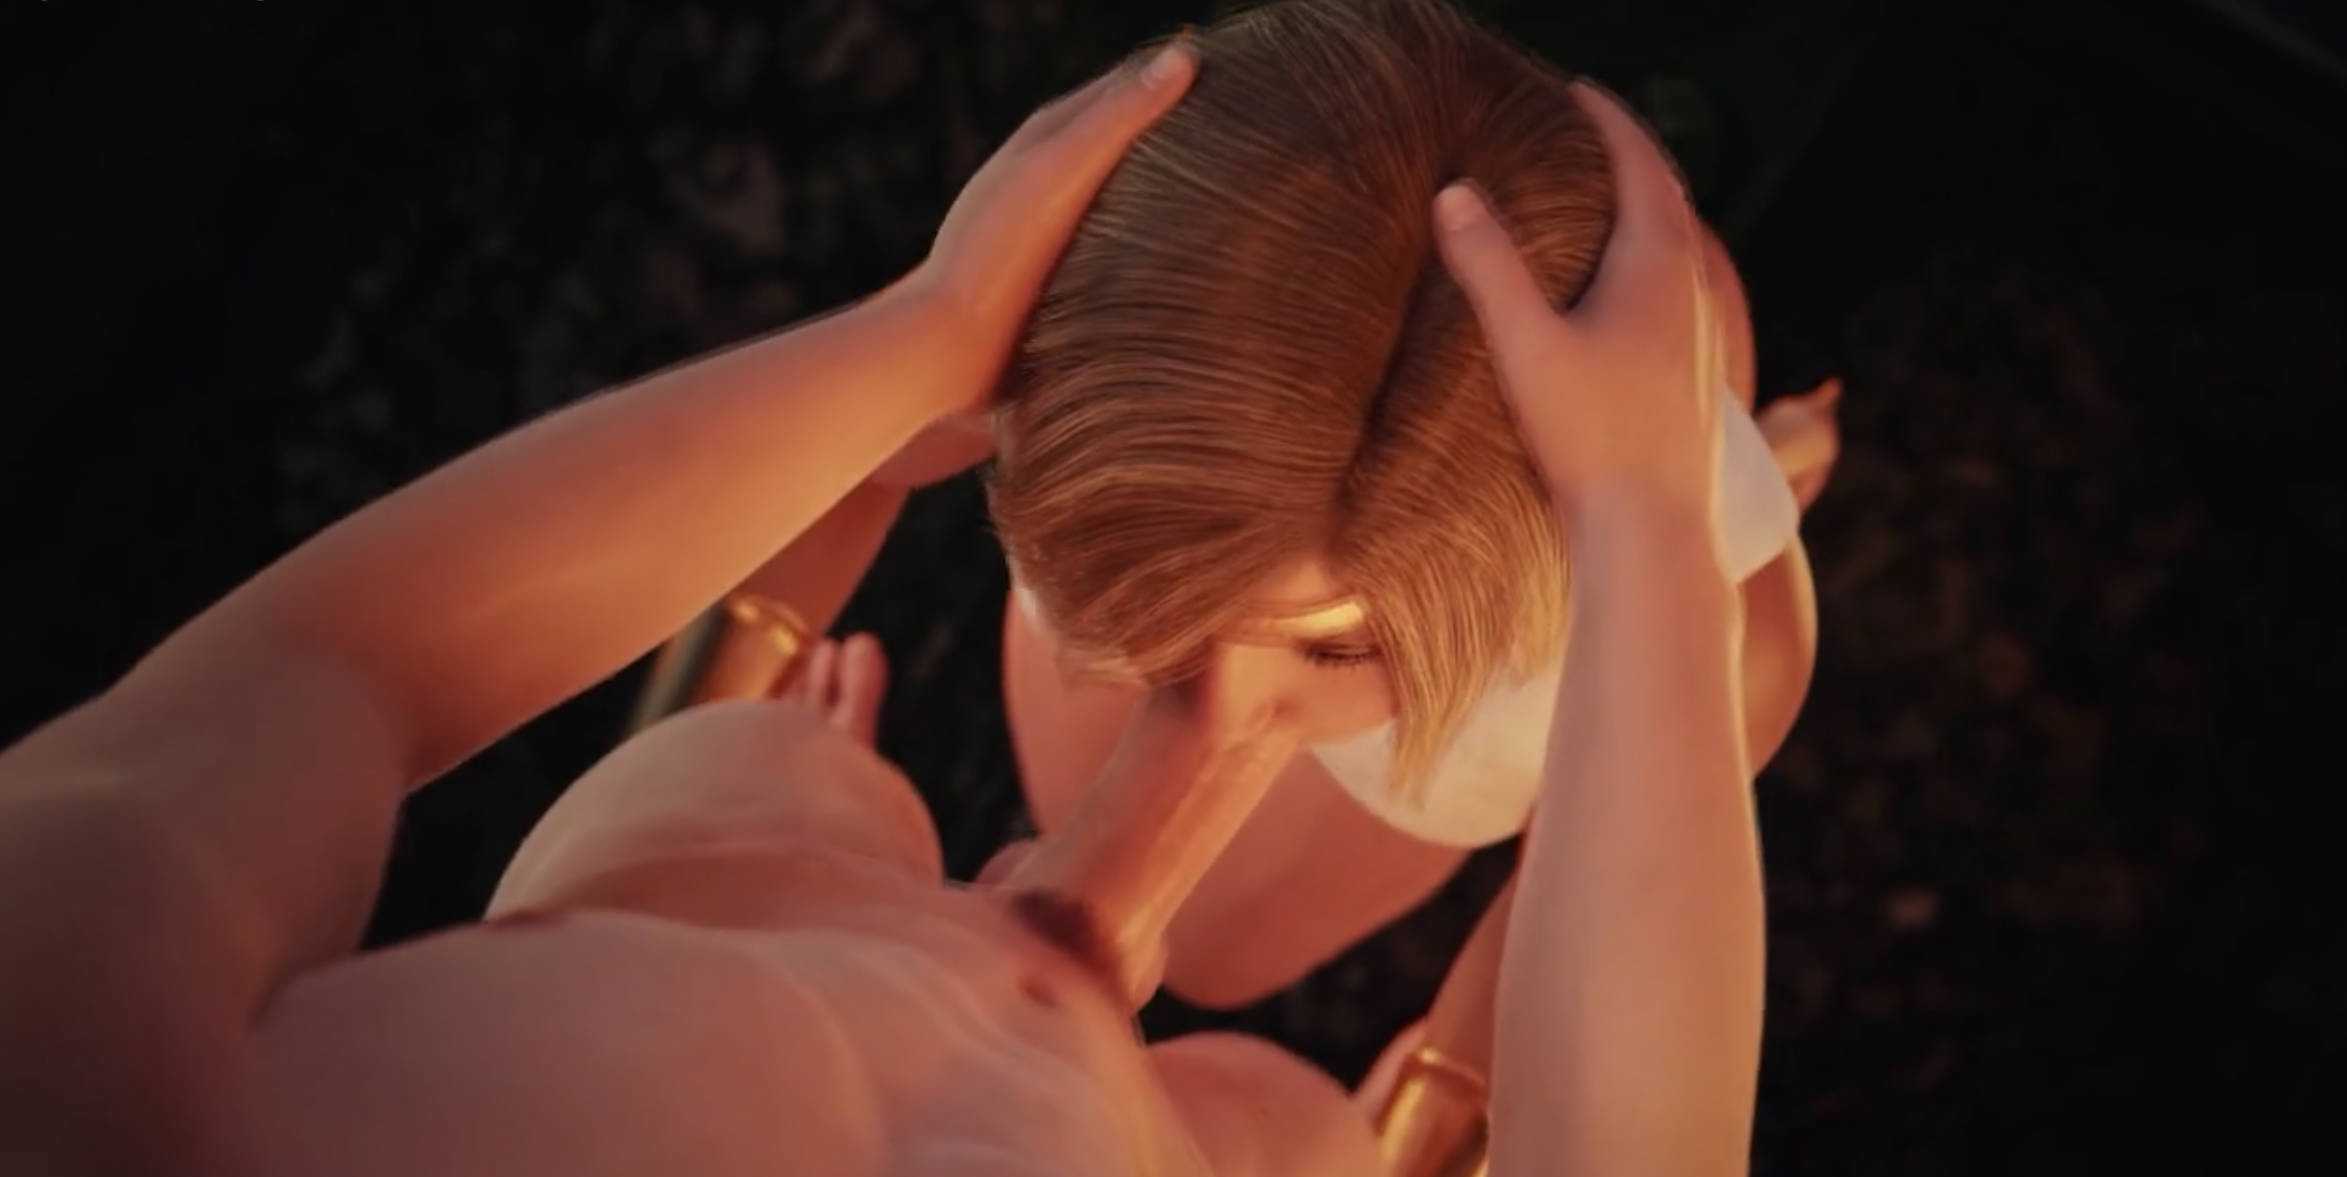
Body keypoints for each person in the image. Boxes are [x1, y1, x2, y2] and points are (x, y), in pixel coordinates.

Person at [0, 19, 1771, 1177]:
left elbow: (327, 670)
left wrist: (914, 344)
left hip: (710, 891)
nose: (1105, 920)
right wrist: (1646, 543)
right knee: (1293, 1122)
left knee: (760, 782)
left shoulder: (88, 1080)